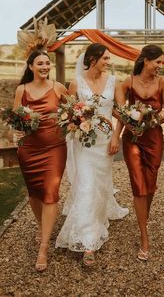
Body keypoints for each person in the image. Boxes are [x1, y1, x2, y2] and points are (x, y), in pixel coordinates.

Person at [55, 43, 128, 266]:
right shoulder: (76, 82)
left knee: (100, 183)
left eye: (109, 58)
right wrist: (76, 122)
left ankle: (99, 212)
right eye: (105, 58)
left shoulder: (114, 82)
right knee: (86, 184)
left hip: (106, 143)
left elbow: (122, 113)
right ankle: (88, 242)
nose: (108, 62)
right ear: (93, 59)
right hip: (83, 143)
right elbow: (68, 111)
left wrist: (116, 138)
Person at [13, 49, 68, 271]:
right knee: (35, 194)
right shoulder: (21, 90)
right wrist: (16, 132)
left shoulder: (58, 88)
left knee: (50, 192)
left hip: (55, 148)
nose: (45, 67)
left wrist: (73, 123)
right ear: (31, 67)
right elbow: (16, 119)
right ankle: (41, 225)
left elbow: (77, 110)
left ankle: (44, 247)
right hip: (29, 149)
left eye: (47, 63)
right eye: (40, 63)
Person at [118, 44, 164, 261]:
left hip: (154, 139)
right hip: (132, 139)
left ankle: (144, 216)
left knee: (150, 185)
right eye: (158, 62)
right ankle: (144, 237)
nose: (160, 66)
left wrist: (153, 118)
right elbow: (120, 111)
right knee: (139, 186)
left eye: (162, 62)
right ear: (146, 61)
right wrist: (129, 121)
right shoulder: (128, 82)